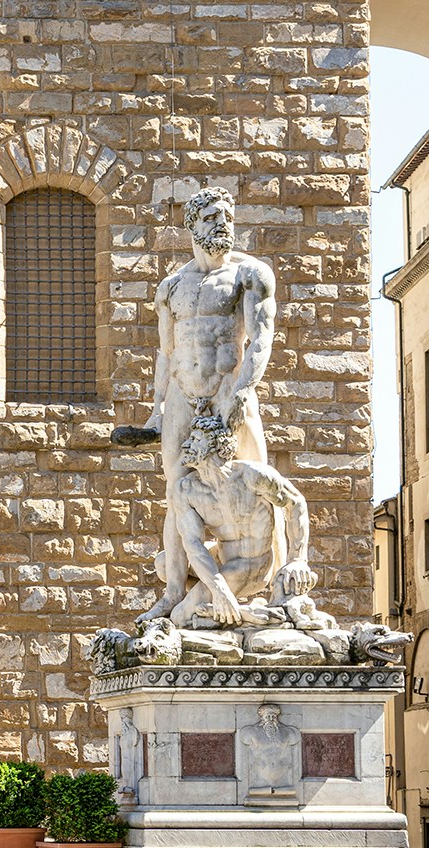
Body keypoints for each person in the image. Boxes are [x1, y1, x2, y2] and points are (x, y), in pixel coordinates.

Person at [137, 187, 276, 624]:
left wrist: (240, 393)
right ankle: (174, 592)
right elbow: (166, 352)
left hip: (226, 387)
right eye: (213, 216)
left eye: (227, 216)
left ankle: (276, 588)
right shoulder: (172, 287)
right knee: (176, 491)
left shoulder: (250, 274)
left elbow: (261, 339)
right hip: (182, 393)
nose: (223, 223)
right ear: (192, 225)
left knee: (258, 483)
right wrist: (157, 410)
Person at [167, 414, 317, 627]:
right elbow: (193, 544)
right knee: (164, 564)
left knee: (180, 617)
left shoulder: (252, 476)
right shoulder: (186, 489)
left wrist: (298, 559)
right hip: (222, 556)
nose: (187, 444)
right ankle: (237, 610)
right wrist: (219, 590)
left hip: (251, 564)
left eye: (196, 439)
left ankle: (240, 613)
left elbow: (296, 503)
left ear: (216, 445)